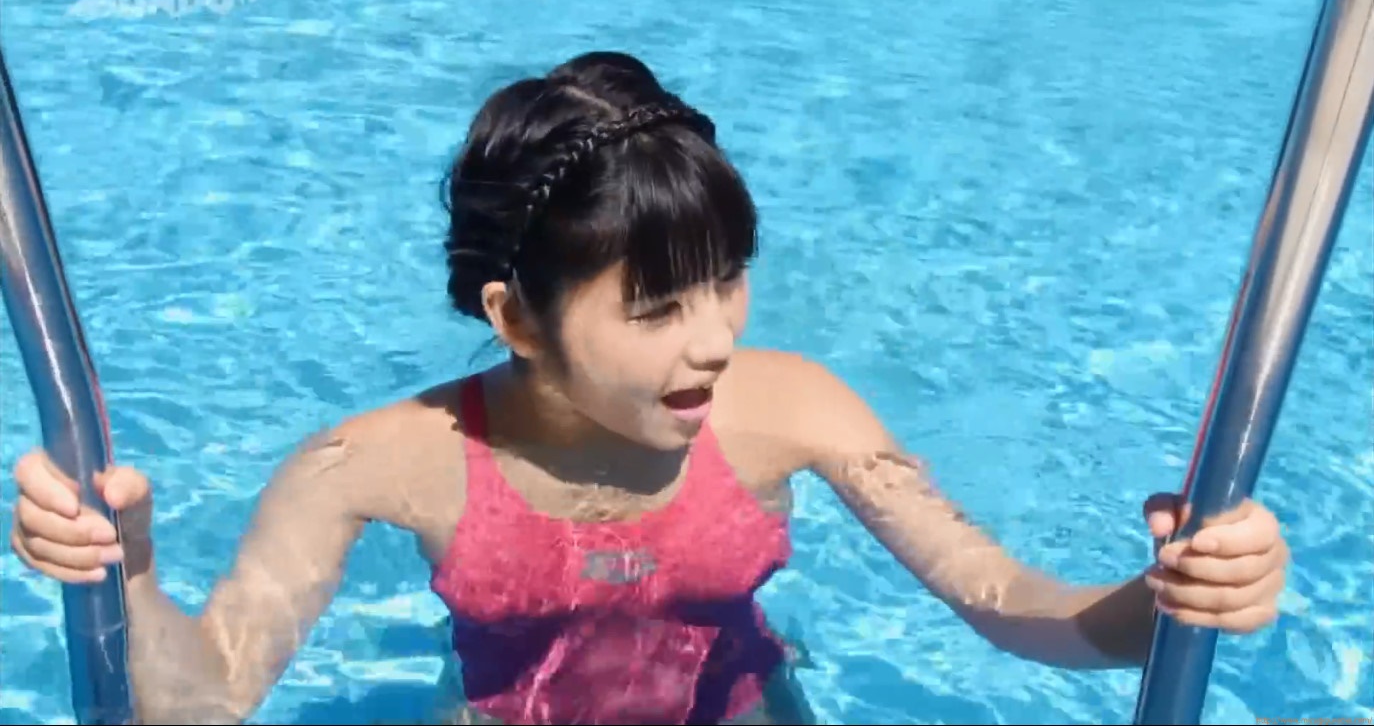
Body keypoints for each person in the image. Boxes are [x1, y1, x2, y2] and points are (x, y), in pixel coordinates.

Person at [9, 51, 1289, 726]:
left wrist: (1172, 598)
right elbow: (205, 700)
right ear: (515, 318)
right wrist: (127, 573)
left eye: (728, 280)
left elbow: (1007, 605)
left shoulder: (791, 410)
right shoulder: (382, 461)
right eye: (658, 306)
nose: (717, 339)